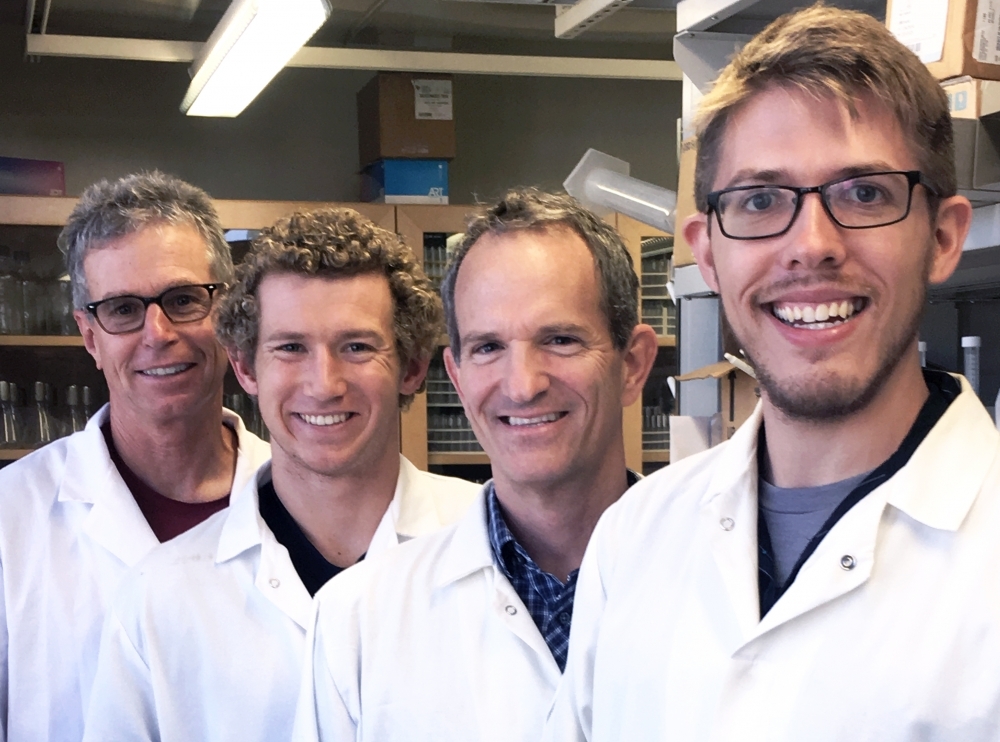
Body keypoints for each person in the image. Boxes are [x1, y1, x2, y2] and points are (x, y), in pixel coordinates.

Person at [546, 6, 1000, 741]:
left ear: (943, 237)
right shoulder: (634, 540)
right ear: (710, 253)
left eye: (864, 193)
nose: (811, 246)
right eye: (760, 201)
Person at [82, 207, 480, 741]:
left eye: (357, 347)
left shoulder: (490, 546)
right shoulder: (160, 596)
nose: (324, 384)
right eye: (291, 347)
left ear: (411, 367)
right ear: (245, 367)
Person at [292, 189, 658, 742]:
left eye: (560, 339)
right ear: (458, 379)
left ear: (632, 365)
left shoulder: (730, 579)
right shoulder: (358, 619)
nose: (522, 384)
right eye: (488, 347)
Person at [0, 171, 271, 742]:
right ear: (90, 336)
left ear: (228, 313)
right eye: (122, 308)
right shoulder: (11, 518)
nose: (158, 332)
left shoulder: (300, 501)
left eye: (183, 299)